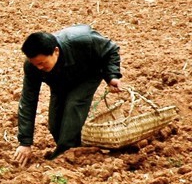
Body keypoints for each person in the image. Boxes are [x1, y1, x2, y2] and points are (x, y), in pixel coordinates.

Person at [14, 25, 122, 166]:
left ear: (56, 51)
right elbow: (28, 101)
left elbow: (111, 50)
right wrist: (25, 142)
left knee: (74, 105)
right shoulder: (32, 67)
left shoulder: (83, 40)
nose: (39, 68)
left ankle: (64, 155)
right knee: (55, 124)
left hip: (88, 73)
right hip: (60, 80)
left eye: (42, 63)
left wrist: (112, 76)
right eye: (35, 64)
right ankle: (74, 148)